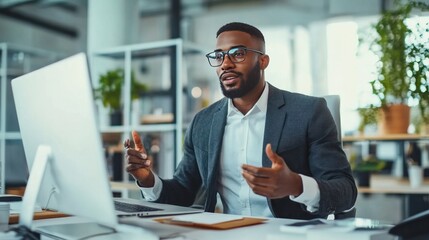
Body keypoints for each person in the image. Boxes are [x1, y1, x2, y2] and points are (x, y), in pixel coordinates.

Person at [125, 22, 357, 220]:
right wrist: (147, 180)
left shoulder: (308, 112)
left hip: (289, 233)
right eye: (219, 56)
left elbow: (345, 191)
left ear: (263, 61)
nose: (225, 64)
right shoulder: (203, 122)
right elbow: (183, 193)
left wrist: (296, 185)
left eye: (238, 54)